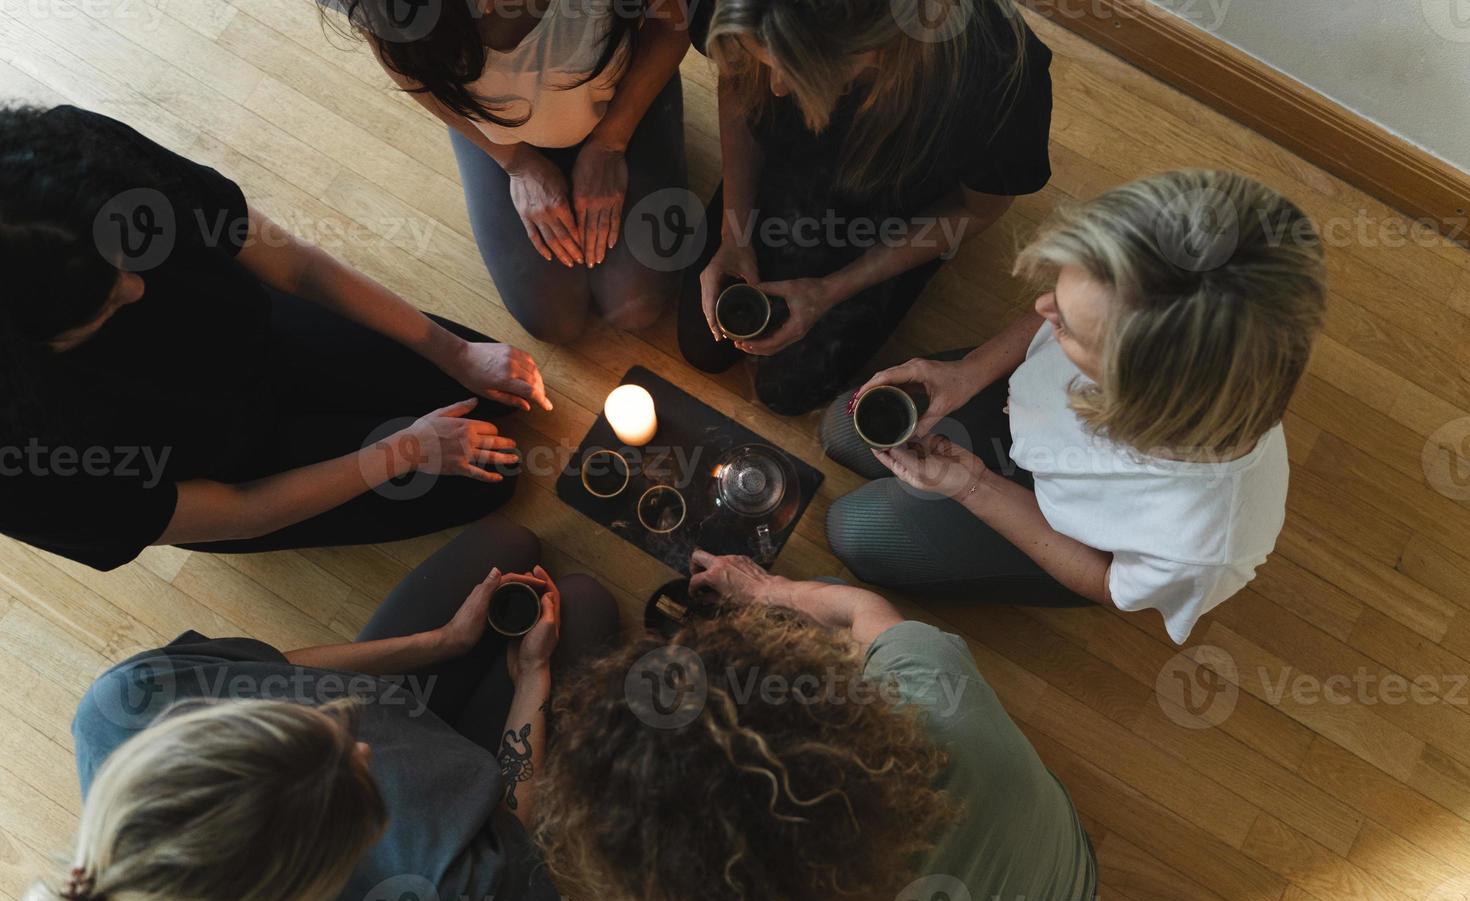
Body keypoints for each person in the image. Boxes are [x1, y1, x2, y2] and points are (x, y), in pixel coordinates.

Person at [21, 516, 621, 901]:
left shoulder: (123, 700)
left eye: (314, 723)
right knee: (588, 601)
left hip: (417, 732)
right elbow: (515, 834)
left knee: (506, 541)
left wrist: (437, 643)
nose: (362, 741)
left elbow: (277, 670)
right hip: (480, 815)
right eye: (353, 780)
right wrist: (533, 678)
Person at [0, 104, 556, 572]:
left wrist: (453, 352)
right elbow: (242, 509)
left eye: (126, 259)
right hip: (227, 466)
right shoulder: (26, 468)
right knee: (490, 479)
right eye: (104, 300)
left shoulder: (84, 167)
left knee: (489, 391)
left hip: (256, 339)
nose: (137, 289)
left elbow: (296, 268)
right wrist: (404, 449)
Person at [821, 169, 1327, 644]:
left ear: (1135, 393)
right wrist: (968, 372)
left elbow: (1108, 582)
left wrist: (971, 486)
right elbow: (1063, 306)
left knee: (855, 532)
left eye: (1066, 325)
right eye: (1061, 287)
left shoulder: (1200, 545)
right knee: (842, 430)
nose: (1043, 311)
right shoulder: (1143, 317)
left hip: (1059, 529)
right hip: (1026, 420)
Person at [536, 551, 1096, 901]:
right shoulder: (939, 698)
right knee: (823, 598)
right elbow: (864, 611)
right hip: (1067, 889)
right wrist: (769, 591)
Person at [677, 0, 1054, 415]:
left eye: (797, 69)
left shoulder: (996, 81)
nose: (777, 88)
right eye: (760, 57)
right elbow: (740, 90)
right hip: (784, 165)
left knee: (786, 392)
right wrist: (734, 231)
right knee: (704, 347)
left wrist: (830, 291)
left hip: (893, 215)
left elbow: (977, 208)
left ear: (875, 45)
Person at [337, 0, 690, 344]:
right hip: (495, 125)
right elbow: (408, 65)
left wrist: (611, 141)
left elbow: (673, 24)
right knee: (554, 320)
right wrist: (516, 161)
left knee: (634, 305)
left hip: (615, 94)